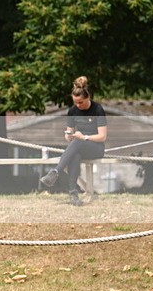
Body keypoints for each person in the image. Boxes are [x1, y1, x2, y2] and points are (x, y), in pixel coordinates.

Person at [39, 76, 107, 206]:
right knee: (75, 154)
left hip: (96, 148)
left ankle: (56, 172)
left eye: (81, 102)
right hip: (79, 146)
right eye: (75, 102)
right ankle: (73, 194)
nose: (78, 105)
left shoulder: (98, 109)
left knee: (78, 142)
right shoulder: (72, 111)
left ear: (88, 97)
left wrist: (84, 137)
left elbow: (102, 136)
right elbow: (69, 132)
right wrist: (69, 136)